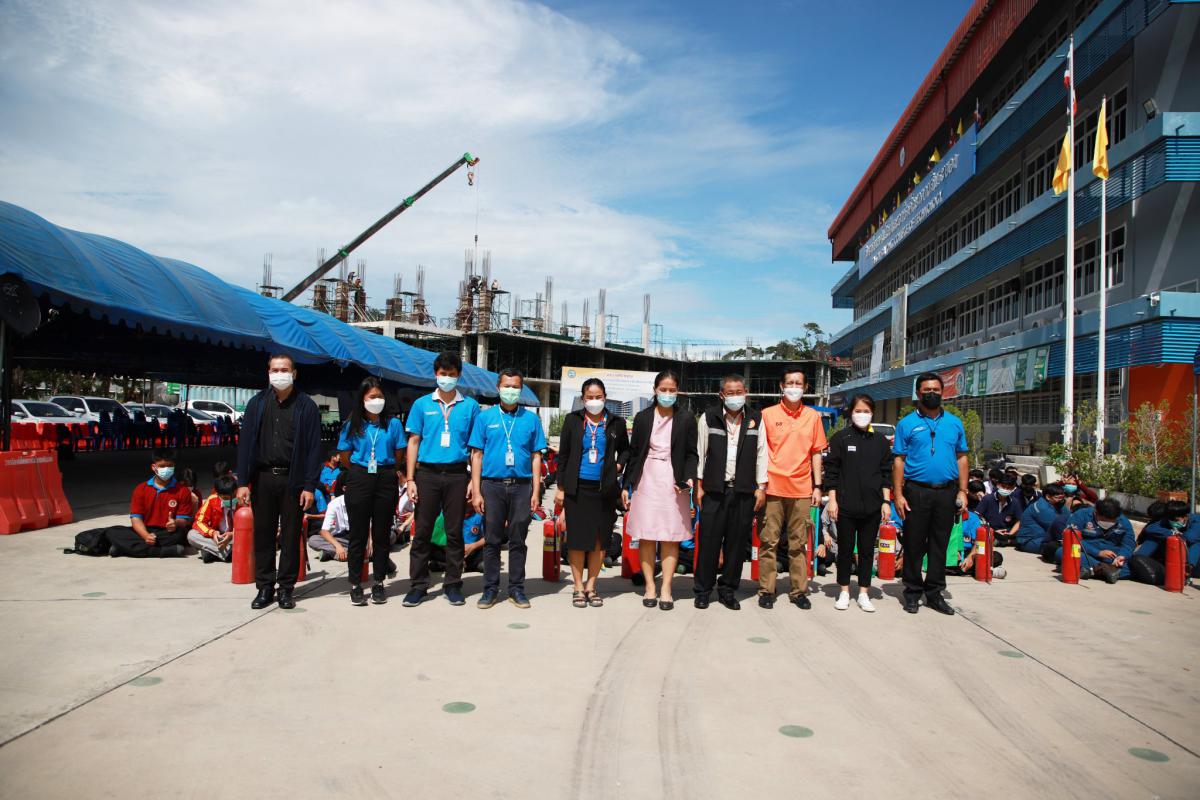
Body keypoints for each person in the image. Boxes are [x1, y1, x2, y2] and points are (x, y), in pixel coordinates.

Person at [235, 354, 323, 610]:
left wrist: (310, 485)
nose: (279, 374)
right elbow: (245, 444)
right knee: (263, 535)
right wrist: (243, 481)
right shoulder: (257, 403)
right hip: (263, 477)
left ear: (294, 374)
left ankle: (286, 588)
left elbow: (314, 449)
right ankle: (264, 587)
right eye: (275, 370)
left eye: (284, 370)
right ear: (268, 373)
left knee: (291, 535)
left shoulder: (306, 406)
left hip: (292, 480)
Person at [404, 351, 480, 607]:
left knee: (454, 532)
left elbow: (475, 448)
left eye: (451, 374)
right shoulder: (422, 404)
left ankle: (453, 584)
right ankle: (418, 585)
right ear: (435, 374)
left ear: (459, 376)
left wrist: (473, 481)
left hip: (457, 474)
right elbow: (413, 442)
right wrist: (410, 479)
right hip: (427, 474)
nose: (447, 378)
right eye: (443, 373)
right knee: (422, 531)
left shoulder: (470, 406)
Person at [892, 372, 968, 615]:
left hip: (946, 492)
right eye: (927, 390)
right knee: (914, 543)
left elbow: (962, 457)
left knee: (940, 544)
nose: (932, 393)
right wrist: (898, 494)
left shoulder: (954, 423)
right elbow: (899, 460)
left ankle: (935, 593)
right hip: (916, 491)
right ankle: (912, 592)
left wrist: (963, 491)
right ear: (918, 393)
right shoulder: (906, 424)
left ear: (942, 392)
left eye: (936, 389)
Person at [469, 367, 546, 609]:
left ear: (521, 389)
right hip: (492, 486)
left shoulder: (531, 420)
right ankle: (490, 589)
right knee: (492, 540)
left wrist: (535, 491)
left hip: (521, 487)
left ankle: (516, 589)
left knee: (518, 540)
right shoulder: (485, 418)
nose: (510, 390)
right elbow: (476, 455)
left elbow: (536, 457)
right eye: (506, 386)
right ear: (498, 388)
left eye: (515, 387)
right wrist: (476, 491)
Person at [624, 370, 698, 611]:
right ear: (655, 390)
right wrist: (626, 484)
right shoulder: (643, 417)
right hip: (647, 478)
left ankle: (666, 587)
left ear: (678, 392)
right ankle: (650, 586)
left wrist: (688, 478)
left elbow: (692, 453)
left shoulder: (686, 418)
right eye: (663, 389)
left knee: (670, 536)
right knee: (646, 535)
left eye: (672, 390)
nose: (667, 394)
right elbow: (634, 453)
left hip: (674, 481)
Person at [693, 374, 767, 610]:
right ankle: (703, 590)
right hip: (715, 490)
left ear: (745, 393)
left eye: (739, 392)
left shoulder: (756, 418)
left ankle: (727, 589)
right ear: (721, 395)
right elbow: (700, 453)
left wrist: (761, 487)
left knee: (736, 544)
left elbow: (762, 454)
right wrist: (698, 486)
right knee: (709, 542)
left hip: (744, 491)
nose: (735, 396)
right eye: (730, 393)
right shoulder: (709, 417)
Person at [554, 378, 630, 607]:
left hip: (604, 490)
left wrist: (617, 466)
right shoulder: (573, 420)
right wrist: (561, 488)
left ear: (605, 397)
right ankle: (578, 587)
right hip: (577, 489)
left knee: (599, 540)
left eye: (598, 397)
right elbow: (563, 456)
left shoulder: (616, 422)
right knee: (577, 540)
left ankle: (592, 586)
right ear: (583, 398)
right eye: (590, 397)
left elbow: (626, 451)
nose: (594, 401)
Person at [758, 369, 826, 610]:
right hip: (773, 487)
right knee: (769, 541)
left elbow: (816, 453)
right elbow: (760, 452)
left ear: (806, 387)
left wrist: (817, 486)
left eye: (798, 383)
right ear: (781, 386)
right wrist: (760, 485)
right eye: (790, 383)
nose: (794, 387)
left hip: (802, 489)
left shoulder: (813, 417)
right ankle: (767, 589)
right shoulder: (767, 414)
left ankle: (798, 591)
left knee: (798, 544)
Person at [338, 377, 406, 606]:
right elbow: (345, 456)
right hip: (359, 476)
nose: (376, 400)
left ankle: (378, 582)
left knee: (381, 534)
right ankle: (355, 584)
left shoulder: (393, 424)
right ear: (362, 400)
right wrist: (361, 469)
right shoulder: (353, 424)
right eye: (372, 397)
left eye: (380, 396)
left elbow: (399, 453)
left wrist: (388, 469)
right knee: (357, 534)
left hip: (385, 477)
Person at [823, 393, 892, 613]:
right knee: (844, 548)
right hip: (845, 505)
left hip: (872, 506)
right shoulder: (841, 438)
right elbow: (832, 472)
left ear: (873, 413)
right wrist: (832, 500)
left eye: (866, 411)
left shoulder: (880, 441)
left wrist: (886, 501)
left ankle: (863, 592)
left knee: (867, 550)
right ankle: (844, 591)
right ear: (851, 413)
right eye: (858, 411)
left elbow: (886, 473)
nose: (862, 415)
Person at [103, 448, 194, 557]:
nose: (166, 469)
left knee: (180, 534)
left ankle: (124, 548)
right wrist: (145, 535)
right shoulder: (141, 489)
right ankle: (163, 551)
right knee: (112, 532)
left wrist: (175, 523)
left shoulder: (182, 491)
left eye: (170, 466)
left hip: (168, 532)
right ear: (153, 467)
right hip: (145, 529)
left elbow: (183, 520)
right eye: (162, 466)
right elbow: (136, 518)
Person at [1057, 497, 1135, 582]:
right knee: (1062, 552)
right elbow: (1072, 538)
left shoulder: (1124, 521)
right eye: (1104, 520)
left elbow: (1129, 543)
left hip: (1111, 558)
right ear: (1096, 512)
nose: (1108, 523)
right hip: (1086, 552)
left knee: (1132, 567)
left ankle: (1092, 570)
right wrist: (1098, 552)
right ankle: (1103, 569)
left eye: (1112, 521)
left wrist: (1122, 556)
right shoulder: (1081, 515)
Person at [1130, 500, 1200, 583]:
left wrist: (1175, 535)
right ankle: (1135, 561)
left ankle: (1185, 570)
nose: (1173, 522)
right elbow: (1150, 529)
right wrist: (1172, 533)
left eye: (1176, 520)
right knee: (1155, 537)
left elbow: (1189, 538)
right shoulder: (1167, 519)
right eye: (1171, 520)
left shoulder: (1196, 521)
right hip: (1172, 555)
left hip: (1194, 559)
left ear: (1186, 516)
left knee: (1197, 543)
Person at [949, 484, 1006, 578]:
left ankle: (961, 569)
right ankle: (985, 571)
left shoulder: (973, 518)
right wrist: (953, 551)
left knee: (996, 557)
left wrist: (971, 557)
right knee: (943, 560)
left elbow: (979, 542)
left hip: (969, 551)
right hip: (950, 551)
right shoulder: (945, 516)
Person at [189, 474, 238, 562]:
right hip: (218, 538)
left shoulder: (244, 500)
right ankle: (230, 553)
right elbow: (199, 522)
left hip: (237, 537)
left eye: (233, 496)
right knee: (192, 535)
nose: (230, 500)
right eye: (226, 498)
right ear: (218, 495)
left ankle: (213, 552)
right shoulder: (212, 500)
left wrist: (233, 534)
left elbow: (253, 526)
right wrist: (212, 533)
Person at [1015, 483, 1068, 557]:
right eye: (1058, 498)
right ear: (1048, 497)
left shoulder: (1057, 504)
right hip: (1029, 541)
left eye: (1062, 497)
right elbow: (1058, 526)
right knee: (1064, 549)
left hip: (1044, 538)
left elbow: (1069, 518)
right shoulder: (1041, 507)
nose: (1061, 500)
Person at [975, 472, 1023, 546]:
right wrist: (992, 531)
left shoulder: (1015, 502)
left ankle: (1005, 541)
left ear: (1013, 488)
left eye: (1008, 488)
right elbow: (978, 516)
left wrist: (1010, 533)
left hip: (1006, 533)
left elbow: (1019, 520)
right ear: (998, 485)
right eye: (1003, 486)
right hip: (989, 531)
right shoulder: (987, 499)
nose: (1005, 490)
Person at [309, 477, 350, 561]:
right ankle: (347, 554)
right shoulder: (335, 503)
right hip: (341, 538)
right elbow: (324, 531)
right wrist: (338, 546)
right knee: (313, 540)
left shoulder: (364, 501)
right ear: (344, 488)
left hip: (359, 539)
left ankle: (331, 554)